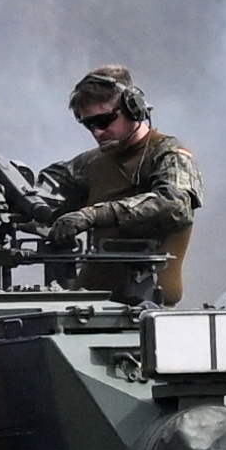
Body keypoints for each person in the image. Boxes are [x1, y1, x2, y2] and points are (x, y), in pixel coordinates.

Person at [44, 66, 201, 302]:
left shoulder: (168, 154)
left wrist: (92, 215)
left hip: (145, 306)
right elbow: (47, 185)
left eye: (104, 120)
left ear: (132, 108)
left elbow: (174, 204)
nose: (98, 132)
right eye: (89, 125)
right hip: (90, 302)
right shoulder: (93, 162)